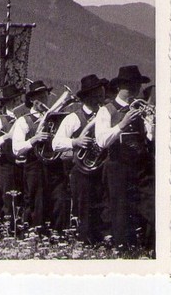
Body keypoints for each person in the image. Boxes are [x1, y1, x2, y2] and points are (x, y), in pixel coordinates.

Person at [95, 65, 155, 250]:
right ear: (120, 87)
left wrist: (150, 123)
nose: (135, 90)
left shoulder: (141, 107)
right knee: (120, 211)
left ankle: (150, 248)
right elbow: (102, 141)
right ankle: (124, 251)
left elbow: (149, 139)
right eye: (130, 86)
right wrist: (122, 123)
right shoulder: (107, 110)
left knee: (152, 206)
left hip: (141, 165)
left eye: (136, 86)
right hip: (118, 165)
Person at [53, 74, 109, 243]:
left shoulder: (105, 115)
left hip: (102, 168)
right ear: (88, 96)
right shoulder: (73, 118)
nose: (102, 97)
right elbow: (56, 143)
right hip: (82, 171)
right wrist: (75, 141)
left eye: (102, 93)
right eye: (98, 94)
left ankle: (101, 242)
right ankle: (86, 242)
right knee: (85, 208)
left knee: (103, 207)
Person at [12, 80, 53, 229]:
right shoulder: (24, 120)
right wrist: (33, 140)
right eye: (39, 97)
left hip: (52, 164)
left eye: (45, 96)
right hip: (34, 164)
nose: (44, 100)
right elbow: (16, 149)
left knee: (54, 200)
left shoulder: (52, 118)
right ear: (32, 100)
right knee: (36, 200)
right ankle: (36, 232)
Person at [0, 84, 25, 221]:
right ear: (12, 102)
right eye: (18, 100)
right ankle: (9, 231)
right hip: (7, 166)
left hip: (23, 165)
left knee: (23, 201)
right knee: (9, 202)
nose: (21, 102)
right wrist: (6, 136)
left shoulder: (24, 118)